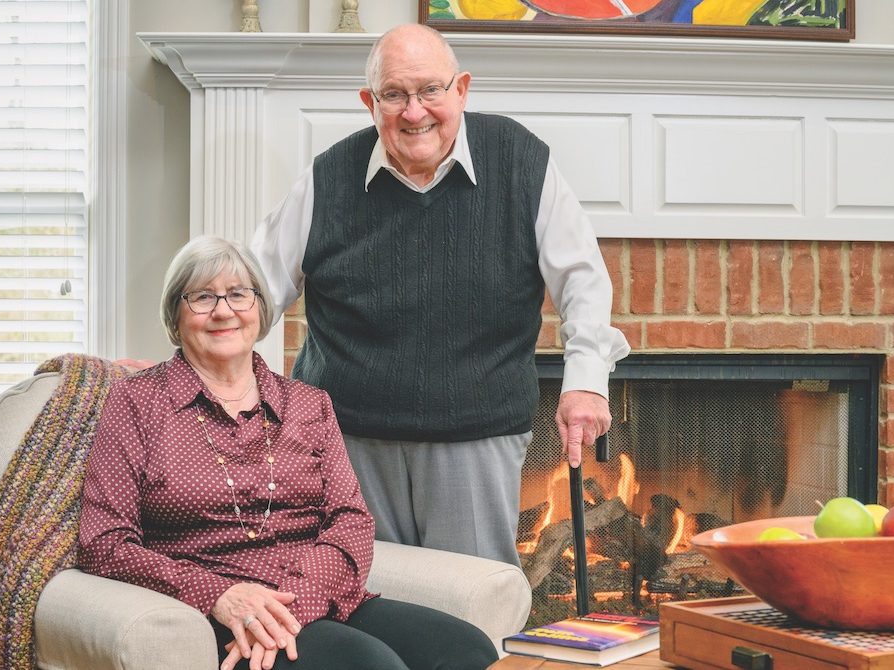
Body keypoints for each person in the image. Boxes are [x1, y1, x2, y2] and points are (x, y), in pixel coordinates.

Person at [251, 23, 631, 568]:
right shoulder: (327, 176)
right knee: (359, 597)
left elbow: (582, 278)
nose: (415, 112)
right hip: (345, 440)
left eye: (430, 90)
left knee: (470, 605)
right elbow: (252, 289)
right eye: (394, 94)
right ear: (370, 103)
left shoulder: (520, 160)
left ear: (462, 90)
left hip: (475, 439)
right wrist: (188, 372)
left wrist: (587, 382)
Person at [79, 236, 497, 670]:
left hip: (313, 594)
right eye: (202, 297)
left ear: (260, 308)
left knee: (467, 650)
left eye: (238, 294)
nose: (223, 311)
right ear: (175, 314)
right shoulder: (137, 403)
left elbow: (351, 521)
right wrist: (218, 594)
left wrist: (292, 604)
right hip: (218, 612)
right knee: (369, 665)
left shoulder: (308, 404)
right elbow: (104, 542)